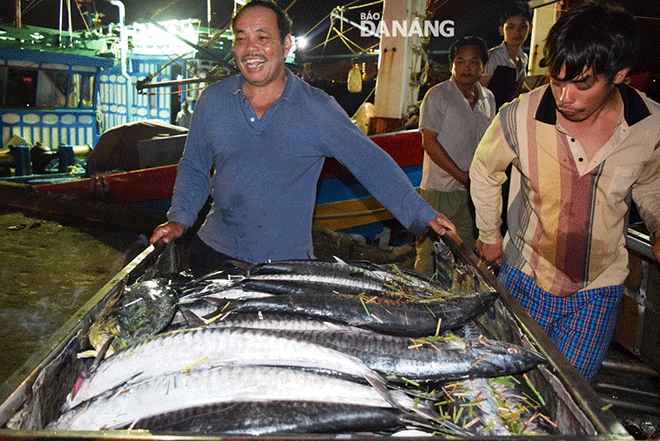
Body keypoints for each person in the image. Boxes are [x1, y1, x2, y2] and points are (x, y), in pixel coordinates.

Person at [150, 0, 455, 276]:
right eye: (241, 37)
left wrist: (423, 214)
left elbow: (371, 163)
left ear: (286, 45)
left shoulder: (317, 108)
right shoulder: (213, 101)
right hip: (213, 255)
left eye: (262, 37)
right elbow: (194, 167)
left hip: (286, 266)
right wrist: (180, 218)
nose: (250, 47)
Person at [470, 3, 660, 382]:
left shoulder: (650, 126)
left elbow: (652, 184)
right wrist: (490, 236)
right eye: (557, 81)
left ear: (619, 74)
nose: (565, 97)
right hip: (524, 275)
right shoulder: (520, 115)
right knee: (506, 388)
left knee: (566, 393)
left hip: (598, 289)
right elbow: (484, 171)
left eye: (582, 84)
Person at [414, 36, 496, 277]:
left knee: (466, 251)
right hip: (440, 188)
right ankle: (420, 304)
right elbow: (428, 142)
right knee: (429, 251)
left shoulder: (488, 98)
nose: (467, 67)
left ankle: (457, 302)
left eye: (474, 62)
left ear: (483, 66)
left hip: (473, 190)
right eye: (460, 61)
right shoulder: (437, 95)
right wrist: (461, 176)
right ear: (452, 65)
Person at [479, 1, 533, 109]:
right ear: (501, 30)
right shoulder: (493, 57)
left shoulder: (523, 58)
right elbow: (480, 93)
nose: (517, 32)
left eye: (522, 27)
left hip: (509, 116)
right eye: (511, 27)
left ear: (530, 28)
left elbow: (519, 87)